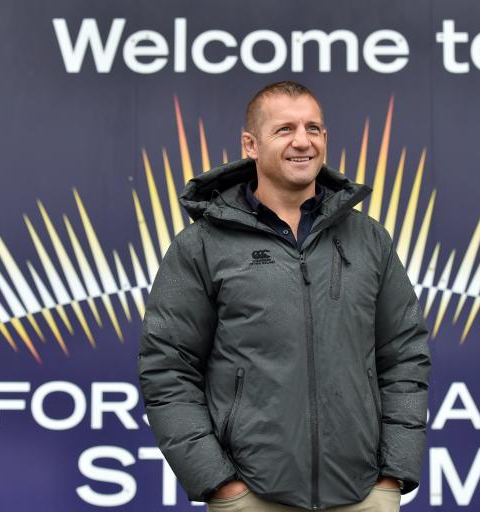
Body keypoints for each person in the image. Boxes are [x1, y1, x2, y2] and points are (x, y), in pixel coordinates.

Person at [138, 81, 430, 512]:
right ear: (250, 144)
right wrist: (220, 486)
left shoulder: (369, 241)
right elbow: (168, 370)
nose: (302, 141)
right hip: (251, 497)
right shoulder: (201, 245)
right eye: (285, 129)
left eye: (313, 128)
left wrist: (391, 478)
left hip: (362, 496)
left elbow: (404, 357)